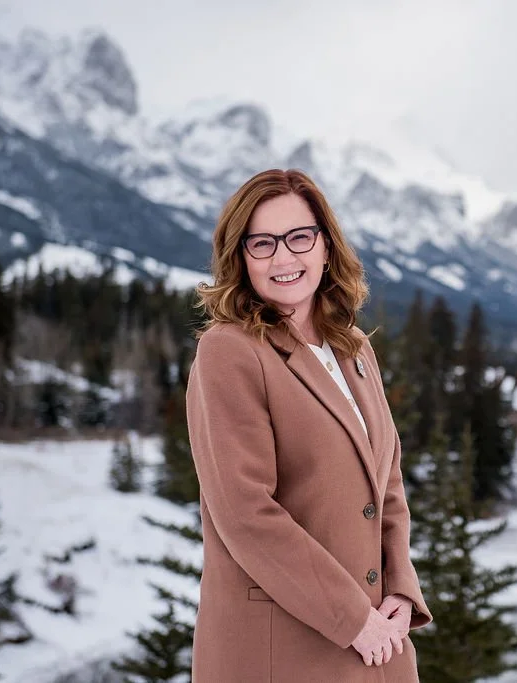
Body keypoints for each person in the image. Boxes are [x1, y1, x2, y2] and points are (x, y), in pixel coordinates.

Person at [186, 168, 432, 682]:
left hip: (379, 641)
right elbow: (246, 512)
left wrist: (402, 592)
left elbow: (386, 485)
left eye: (299, 237)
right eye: (262, 243)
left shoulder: (354, 348)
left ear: (325, 246)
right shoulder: (229, 352)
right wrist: (353, 619)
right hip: (284, 649)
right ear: (241, 258)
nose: (283, 258)